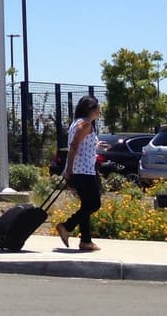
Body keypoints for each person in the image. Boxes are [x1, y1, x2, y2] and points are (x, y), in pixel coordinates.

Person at [56, 95, 103, 252]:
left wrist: (98, 144)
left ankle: (86, 241)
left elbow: (82, 144)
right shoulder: (85, 124)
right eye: (98, 107)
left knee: (86, 205)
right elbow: (74, 146)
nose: (99, 110)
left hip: (81, 170)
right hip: (83, 171)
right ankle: (66, 226)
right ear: (91, 109)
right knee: (94, 204)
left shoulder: (78, 123)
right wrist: (68, 169)